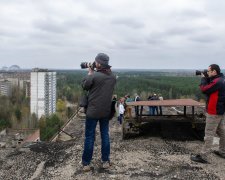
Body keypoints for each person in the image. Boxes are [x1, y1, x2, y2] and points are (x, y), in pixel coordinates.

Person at [81, 53, 116, 171]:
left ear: (99, 63)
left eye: (96, 62)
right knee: (105, 134)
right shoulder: (113, 77)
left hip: (92, 112)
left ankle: (86, 163)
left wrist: (90, 72)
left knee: (89, 137)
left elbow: (85, 86)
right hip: (105, 111)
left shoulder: (95, 76)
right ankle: (105, 161)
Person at [191, 64, 225, 163]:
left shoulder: (217, 82)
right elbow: (212, 87)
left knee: (209, 133)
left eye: (209, 71)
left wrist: (203, 78)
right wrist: (207, 77)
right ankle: (223, 151)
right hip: (220, 110)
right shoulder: (221, 79)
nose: (207, 72)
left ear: (214, 72)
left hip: (214, 111)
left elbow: (204, 89)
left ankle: (204, 156)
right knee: (222, 131)